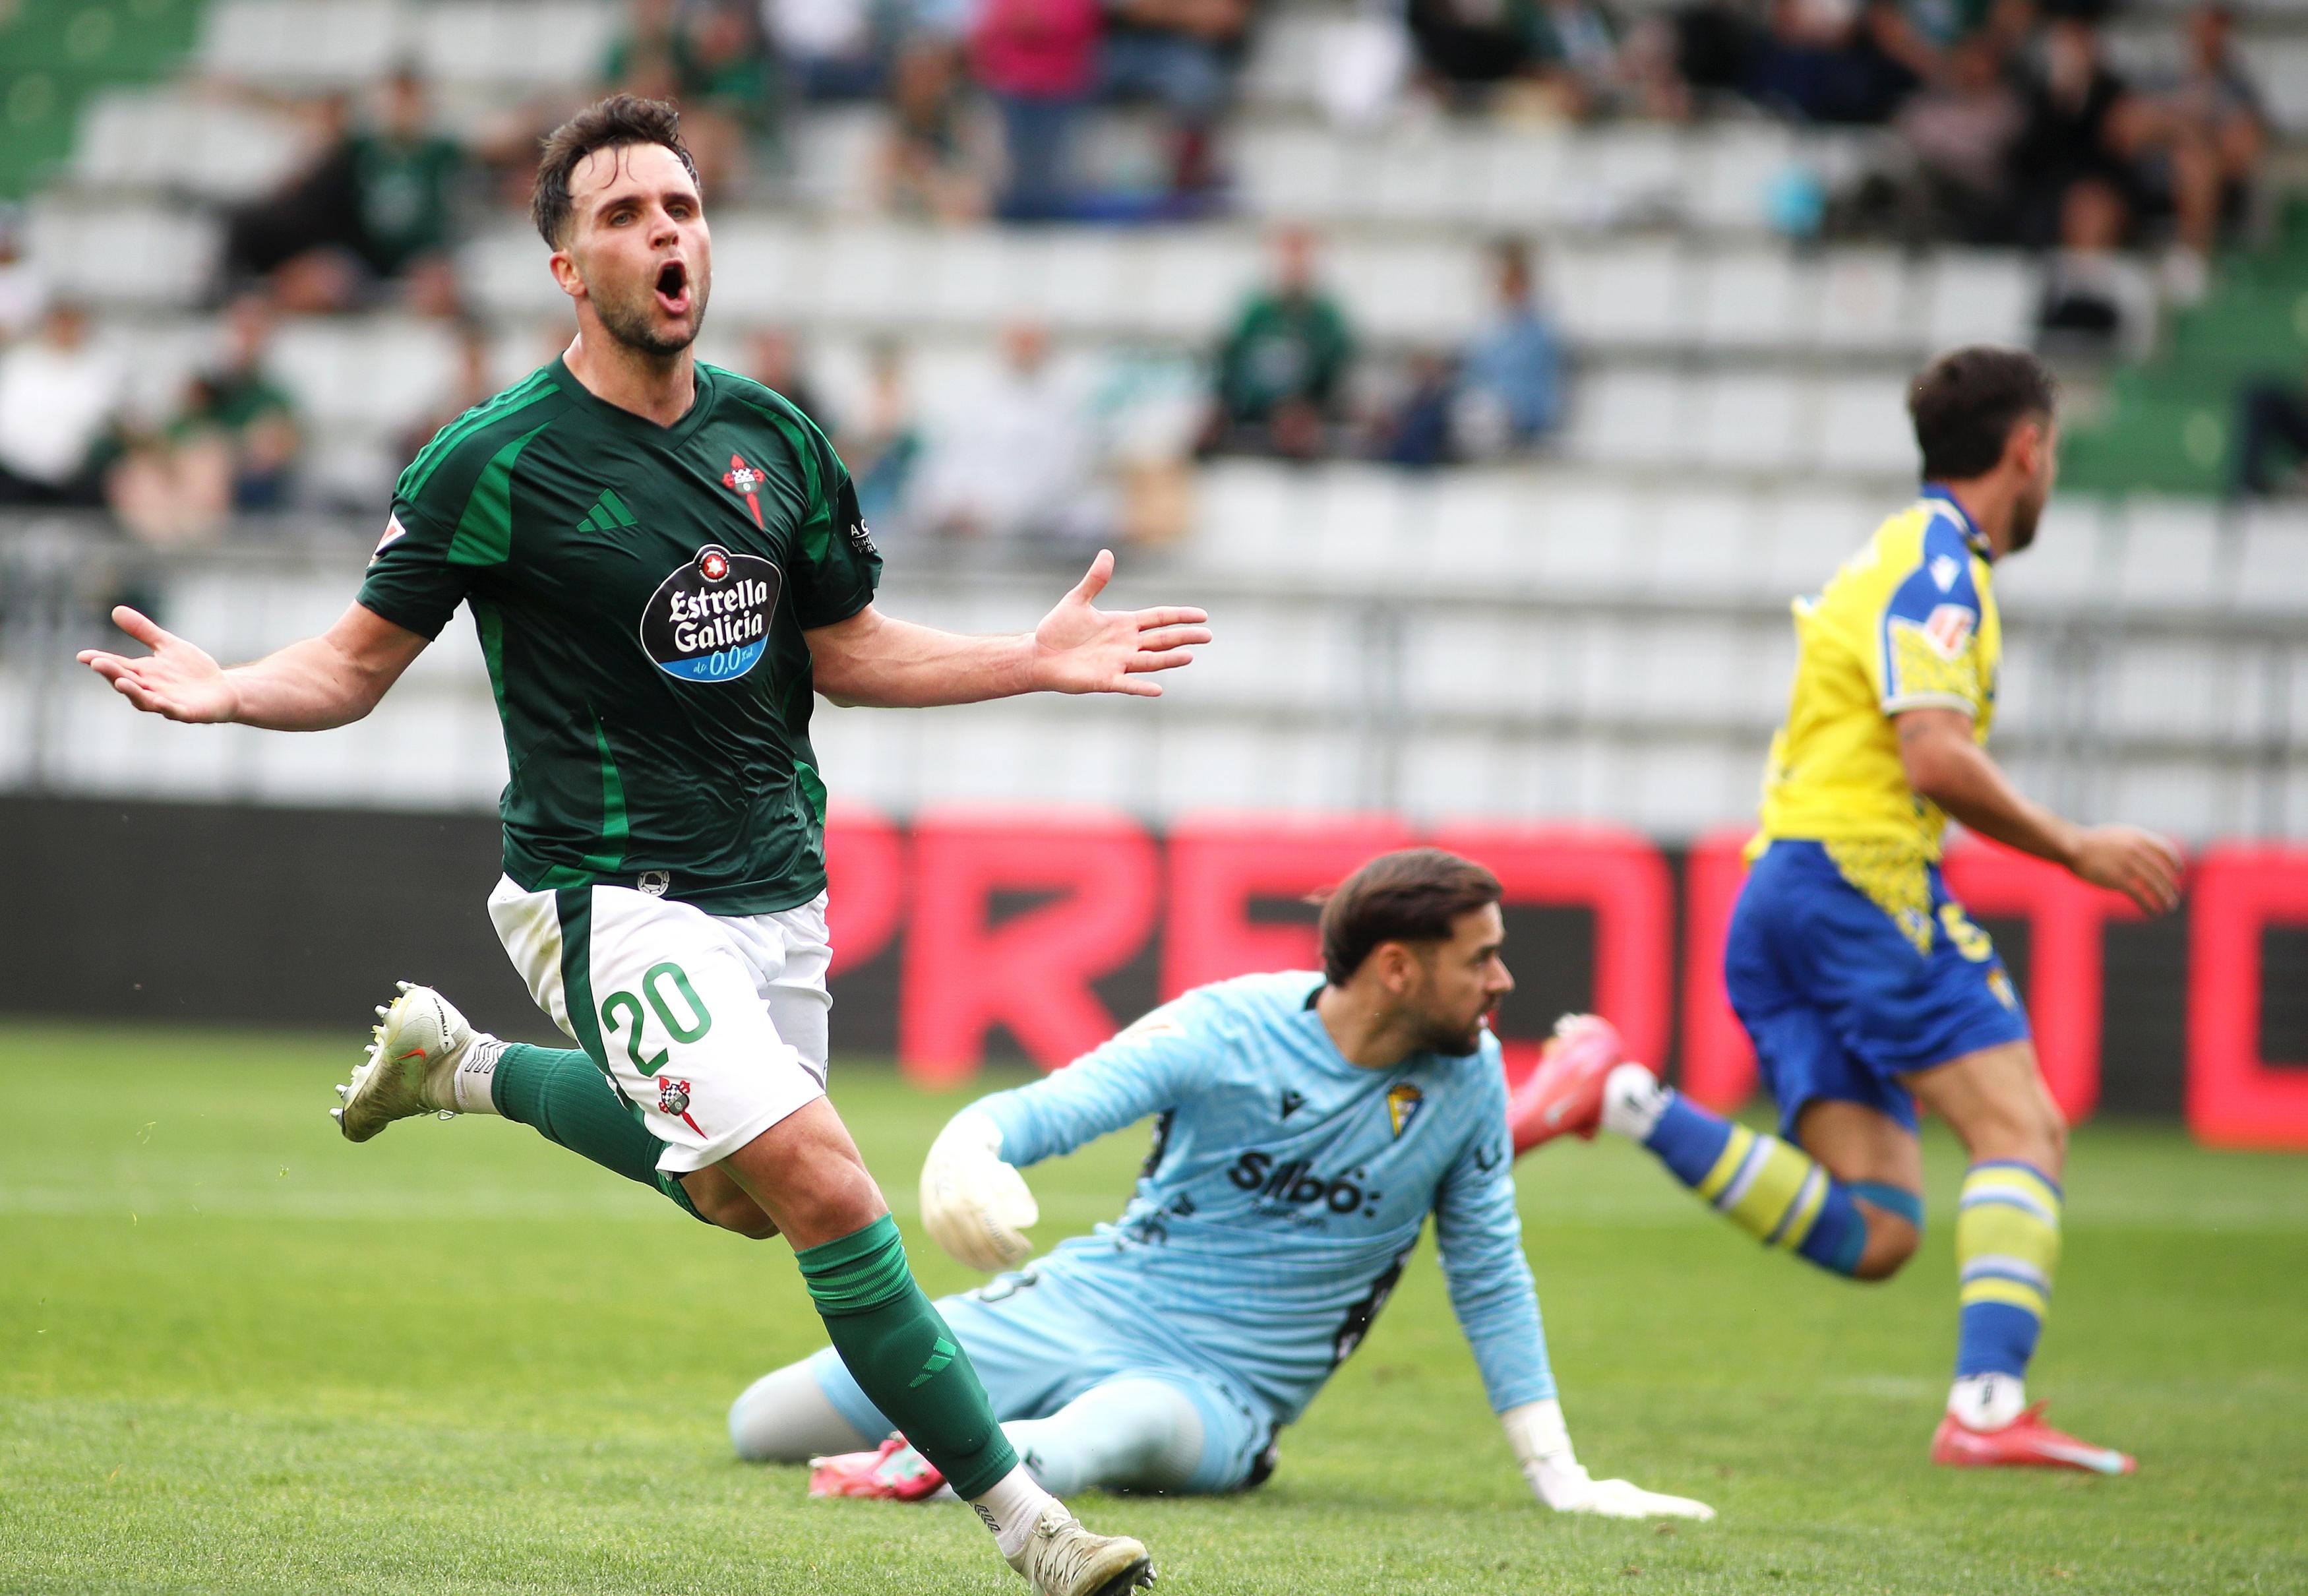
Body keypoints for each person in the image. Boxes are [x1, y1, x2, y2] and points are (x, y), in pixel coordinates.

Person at [73, 94, 1211, 1596]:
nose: (666, 233)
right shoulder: (492, 461)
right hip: (610, 893)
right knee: (827, 1187)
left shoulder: (776, 437)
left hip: (774, 880)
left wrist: (1029, 657)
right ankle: (1034, 1528)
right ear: (568, 269)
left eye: (681, 207)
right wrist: (229, 687)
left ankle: (463, 1065)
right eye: (623, 215)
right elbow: (349, 667)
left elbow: (848, 649)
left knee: (738, 1196)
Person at [1513, 346, 2183, 1475]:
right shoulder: (1940, 570)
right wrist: (2075, 846)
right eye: (2055, 451)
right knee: (2023, 1129)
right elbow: (1934, 755)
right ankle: (1986, 1406)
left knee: (1877, 1229)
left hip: (1782, 891)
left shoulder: (1897, 551)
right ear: (2028, 449)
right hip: (1860, 883)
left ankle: (1622, 1096)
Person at [727, 848, 1715, 1522]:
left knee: (1102, 1436)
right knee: (763, 1424)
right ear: (1397, 968)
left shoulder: (1470, 1080)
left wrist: (1558, 1474)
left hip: (1216, 1390)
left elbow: (1491, 1277)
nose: (1503, 982)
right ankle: (942, 1446)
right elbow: (1060, 1105)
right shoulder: (1228, 1025)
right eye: (1483, 958)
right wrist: (970, 1147)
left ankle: (939, 1464)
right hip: (1080, 1306)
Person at [108, 293, 301, 546]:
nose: (243, 341)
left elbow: (277, 447)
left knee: (206, 461)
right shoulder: (193, 396)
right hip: (177, 479)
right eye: (239, 330)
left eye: (253, 332)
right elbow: (164, 437)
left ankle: (192, 538)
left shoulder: (271, 397)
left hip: (235, 480)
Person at [1204, 226, 1354, 460]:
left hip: (1305, 408)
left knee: (1297, 426)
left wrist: (1310, 405)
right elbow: (1233, 363)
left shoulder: (1326, 317)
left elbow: (1334, 373)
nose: (1294, 265)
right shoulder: (1257, 312)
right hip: (1250, 405)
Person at [0, 302, 121, 507]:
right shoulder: (17, 364)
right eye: (59, 325)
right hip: (14, 468)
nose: (65, 332)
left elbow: (105, 420)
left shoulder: (105, 368)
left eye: (72, 326)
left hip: (78, 471)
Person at [1453, 241, 1564, 456]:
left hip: (1517, 418)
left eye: (1510, 282)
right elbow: (1473, 376)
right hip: (1487, 410)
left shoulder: (1539, 332)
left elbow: (1538, 391)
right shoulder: (1492, 328)